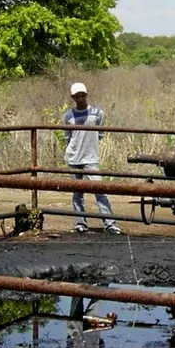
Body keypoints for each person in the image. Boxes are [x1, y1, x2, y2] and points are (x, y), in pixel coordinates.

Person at [63, 82, 121, 234]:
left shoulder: (97, 113)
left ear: (86, 95)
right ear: (73, 98)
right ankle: (80, 222)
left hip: (90, 158)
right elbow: (67, 137)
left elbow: (100, 134)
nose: (80, 99)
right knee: (77, 193)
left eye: (82, 95)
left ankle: (109, 223)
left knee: (99, 189)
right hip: (74, 158)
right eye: (77, 96)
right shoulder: (68, 116)